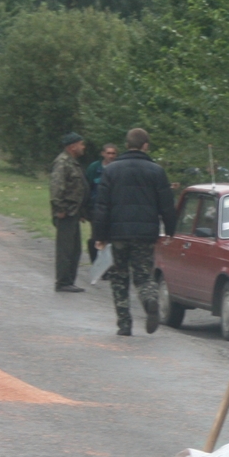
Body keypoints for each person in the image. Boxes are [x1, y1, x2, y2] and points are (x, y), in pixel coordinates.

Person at [91, 128, 175, 336]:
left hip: (117, 233)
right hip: (145, 234)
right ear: (145, 146)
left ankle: (124, 324)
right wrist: (170, 230)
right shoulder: (156, 171)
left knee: (119, 277)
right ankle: (150, 300)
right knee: (144, 275)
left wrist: (99, 236)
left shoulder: (111, 170)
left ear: (127, 145)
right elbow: (166, 205)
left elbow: (101, 206)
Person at [50, 132, 89, 292]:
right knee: (65, 249)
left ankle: (69, 280)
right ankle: (63, 282)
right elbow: (56, 188)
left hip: (74, 212)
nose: (83, 147)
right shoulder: (62, 162)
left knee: (74, 249)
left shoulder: (72, 162)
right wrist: (60, 209)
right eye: (81, 144)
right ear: (73, 146)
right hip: (66, 213)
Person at [84, 143, 118, 262]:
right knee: (96, 237)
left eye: (113, 153)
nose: (111, 156)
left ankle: (109, 264)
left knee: (112, 238)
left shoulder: (119, 167)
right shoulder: (94, 168)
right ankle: (95, 262)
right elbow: (86, 188)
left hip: (114, 209)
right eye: (108, 153)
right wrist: (85, 209)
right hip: (96, 208)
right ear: (103, 154)